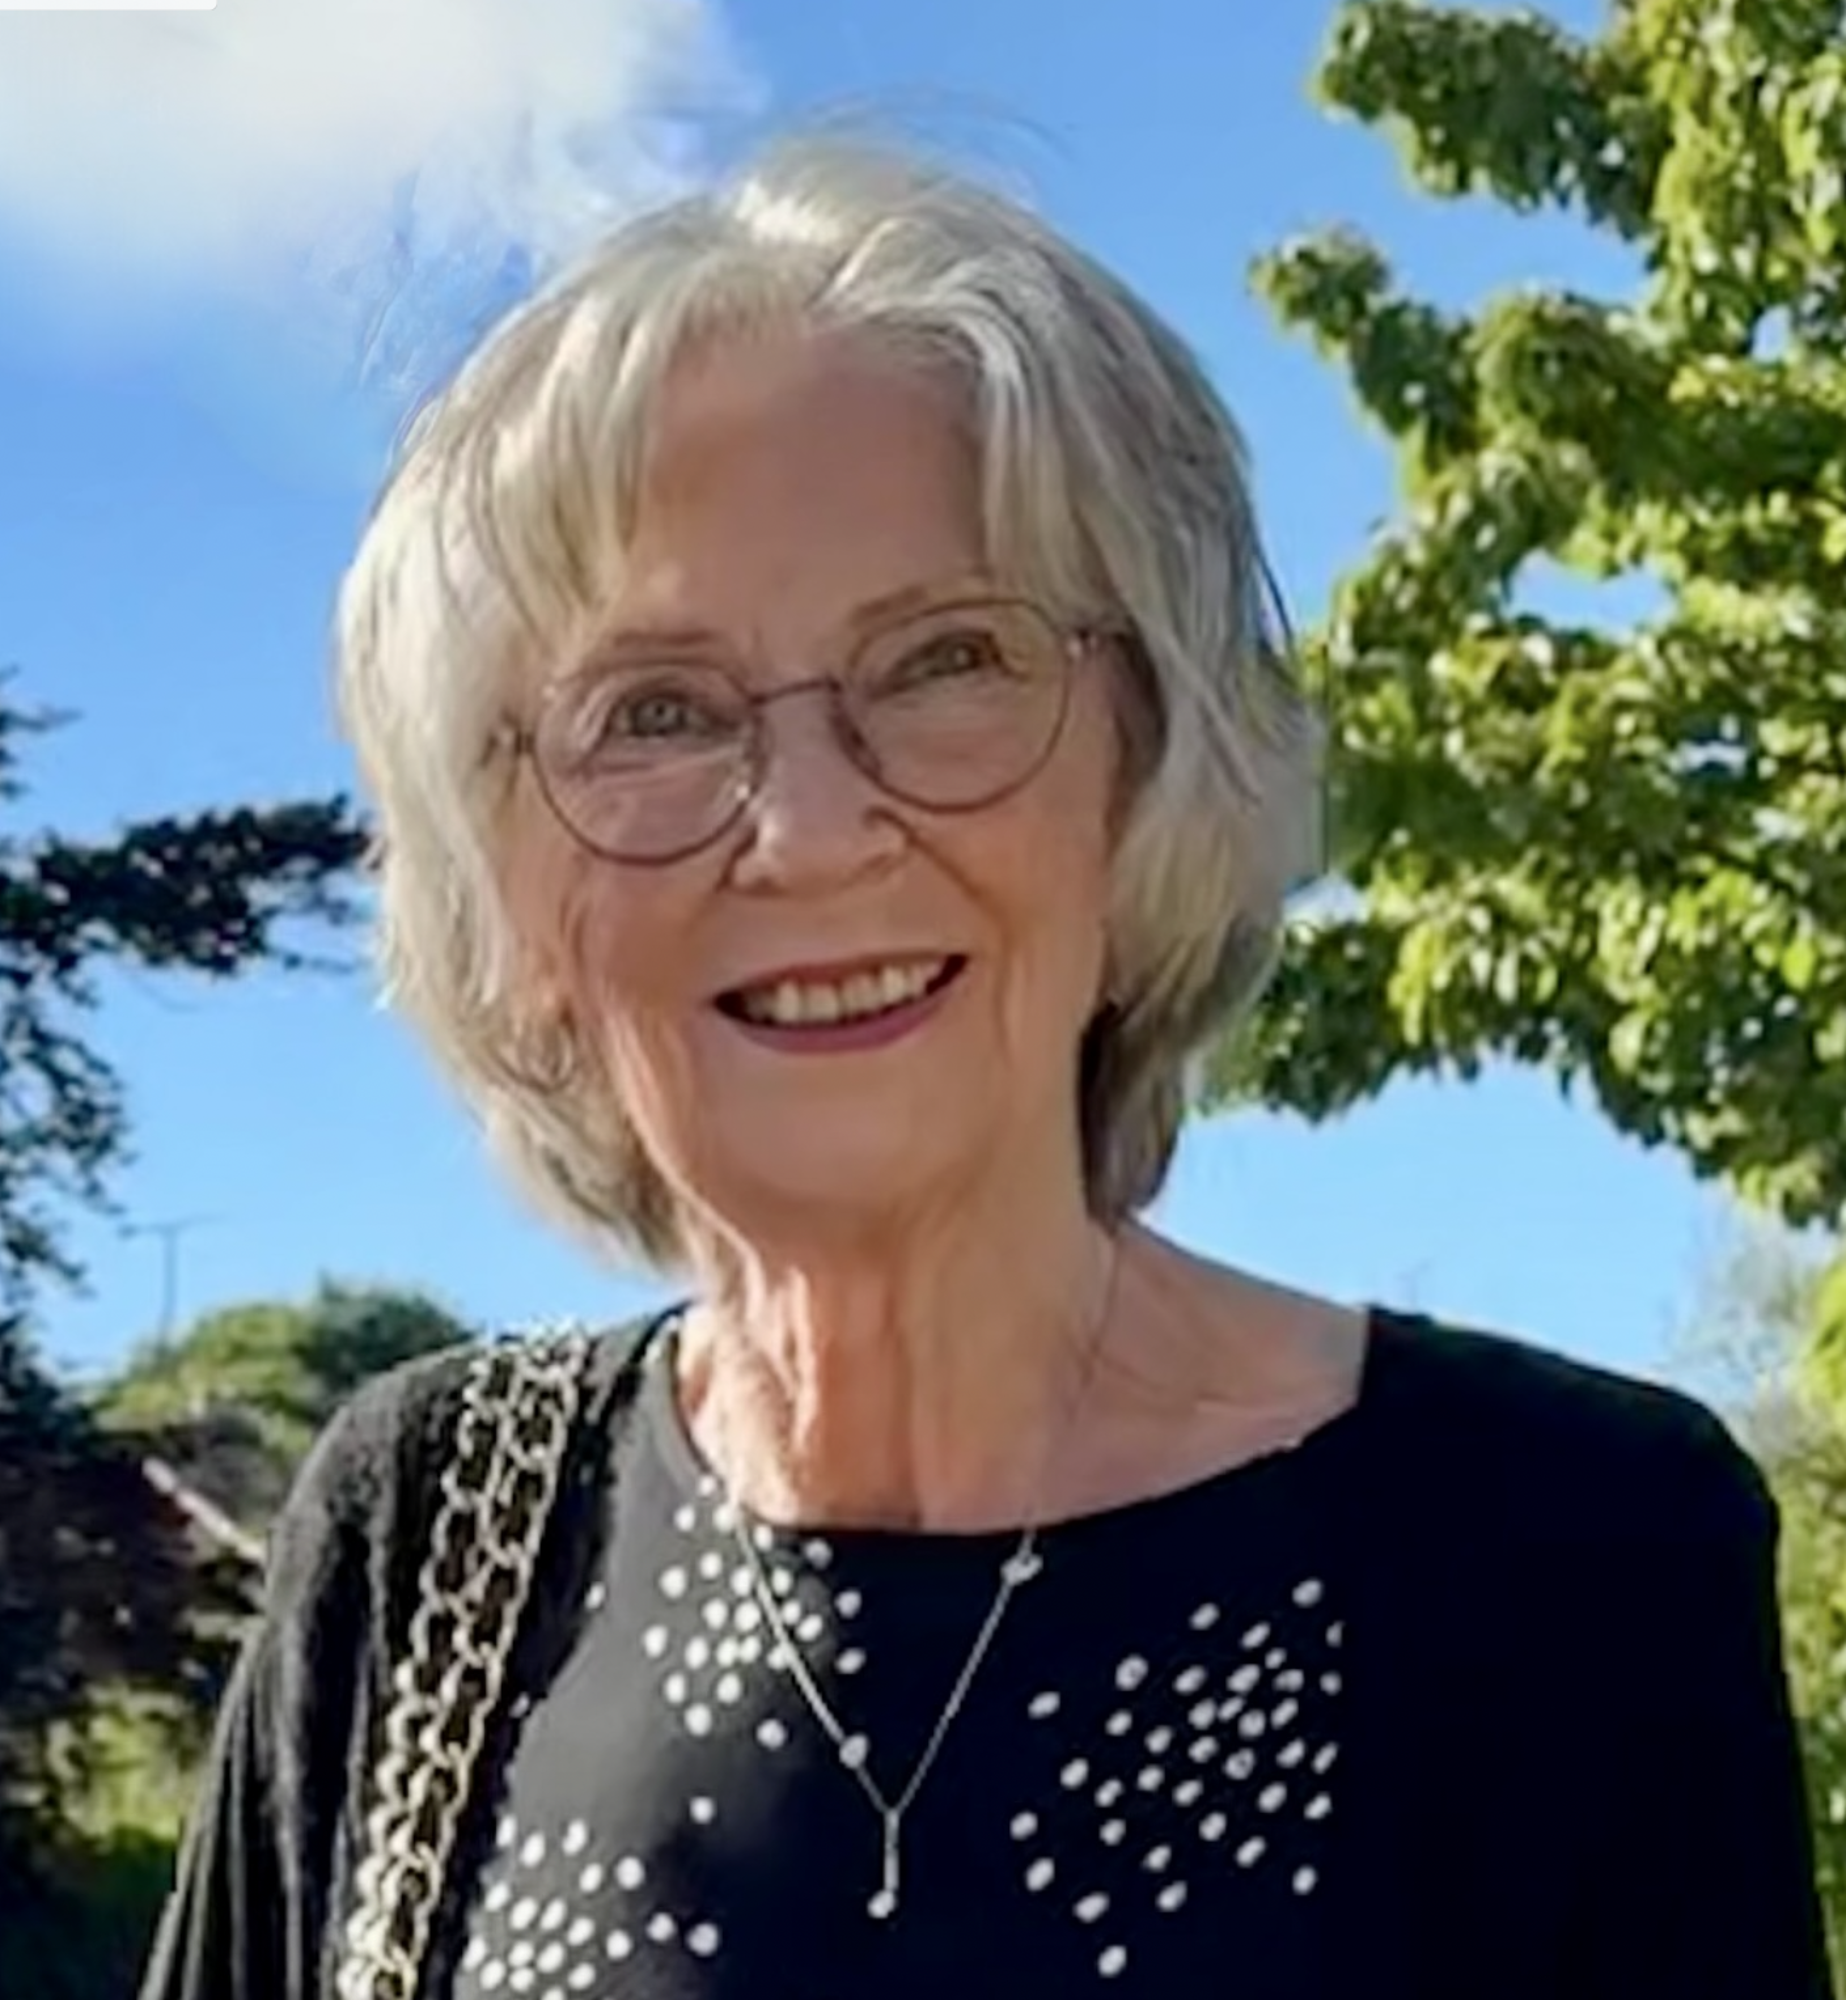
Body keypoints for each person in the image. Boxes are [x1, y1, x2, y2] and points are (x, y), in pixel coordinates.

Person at [140, 136, 1832, 2000]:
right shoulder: (425, 1545)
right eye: (655, 713)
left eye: (945, 661)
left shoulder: (1574, 1552)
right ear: (516, 898)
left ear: (1145, 772)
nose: (806, 831)